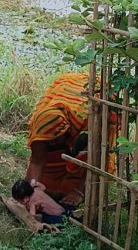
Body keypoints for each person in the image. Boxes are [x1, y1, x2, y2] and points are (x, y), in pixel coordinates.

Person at [26, 72, 92, 206]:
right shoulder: (41, 124)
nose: (51, 144)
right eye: (48, 142)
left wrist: (79, 191)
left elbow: (97, 160)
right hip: (67, 87)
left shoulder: (87, 123)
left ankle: (78, 188)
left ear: (66, 131)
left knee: (81, 160)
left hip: (87, 101)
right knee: (46, 186)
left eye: (55, 140)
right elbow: (37, 160)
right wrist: (32, 191)